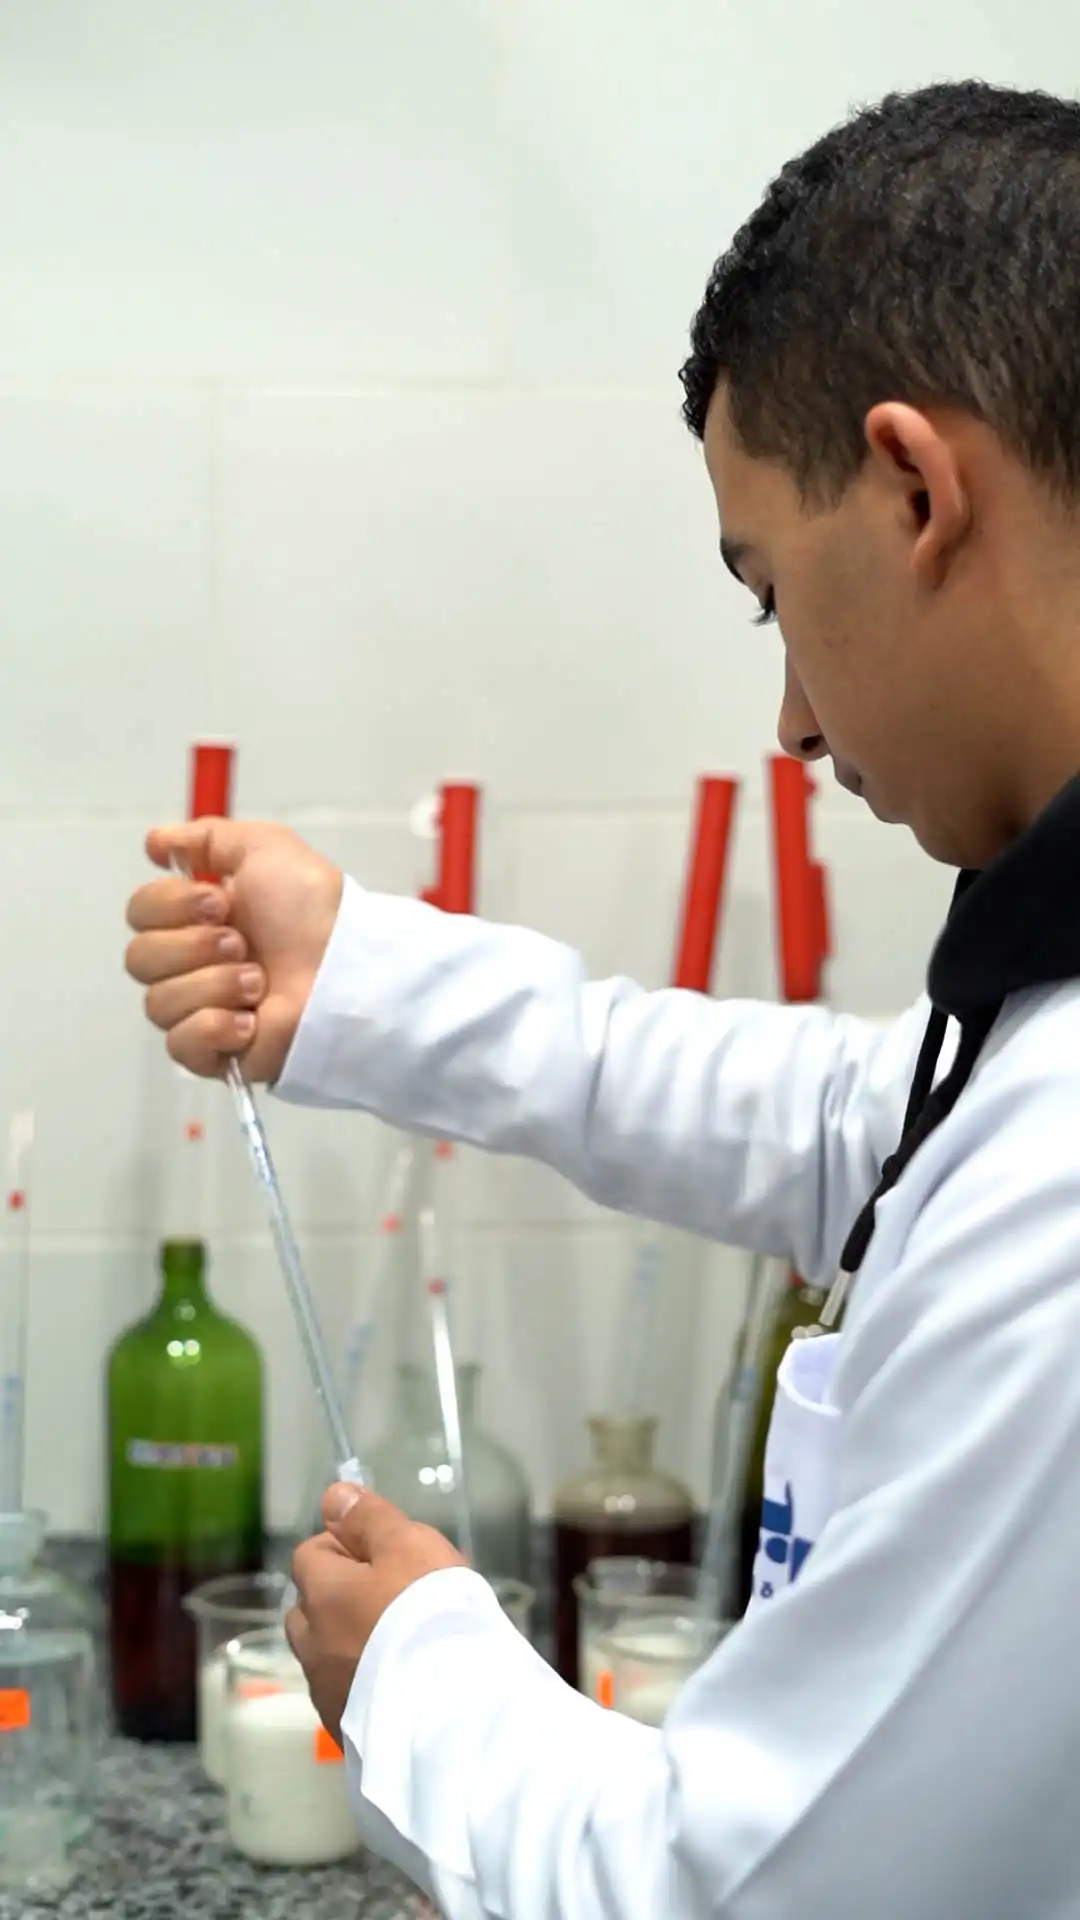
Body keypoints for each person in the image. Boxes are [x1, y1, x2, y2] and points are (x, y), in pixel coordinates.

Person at [123, 78, 1080, 1918]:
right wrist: (363, 979)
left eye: (770, 594)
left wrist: (420, 1666)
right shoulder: (1036, 1035)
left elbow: (733, 1894)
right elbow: (859, 1129)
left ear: (916, 488)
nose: (791, 721)